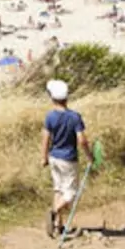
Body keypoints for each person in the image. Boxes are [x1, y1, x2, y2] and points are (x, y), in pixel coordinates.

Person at [42, 80, 91, 239]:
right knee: (71, 193)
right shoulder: (74, 117)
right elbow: (82, 140)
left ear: (52, 98)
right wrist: (89, 155)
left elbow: (46, 138)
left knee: (59, 189)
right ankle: (54, 212)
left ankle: (58, 225)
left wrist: (44, 157)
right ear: (67, 98)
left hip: (54, 157)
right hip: (68, 159)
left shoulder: (50, 117)